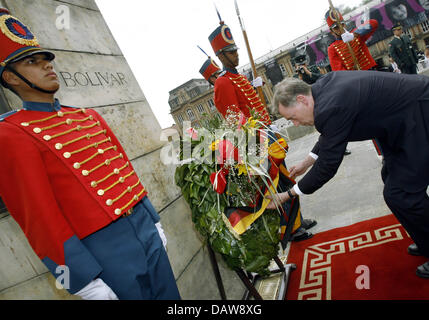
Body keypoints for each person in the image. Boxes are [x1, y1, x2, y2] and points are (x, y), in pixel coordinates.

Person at [0, 9, 181, 299]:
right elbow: (38, 220)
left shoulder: (87, 117)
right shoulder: (10, 134)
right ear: (11, 77)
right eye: (33, 62)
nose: (47, 66)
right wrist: (80, 279)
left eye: (46, 59)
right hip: (102, 253)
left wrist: (153, 220)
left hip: (144, 228)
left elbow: (125, 173)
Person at [269, 73, 429, 278]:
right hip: (399, 124)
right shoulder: (321, 92)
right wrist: (306, 163)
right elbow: (331, 135)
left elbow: (328, 165)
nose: (296, 124)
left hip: (418, 117)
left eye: (292, 118)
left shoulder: (329, 106)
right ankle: (426, 241)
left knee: (401, 194)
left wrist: (289, 194)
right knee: (392, 181)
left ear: (301, 99)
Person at [208, 20, 316, 241]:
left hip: (268, 135)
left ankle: (297, 219)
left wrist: (269, 126)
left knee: (286, 179)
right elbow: (233, 118)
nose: (236, 55)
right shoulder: (223, 82)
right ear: (220, 56)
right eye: (230, 52)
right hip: (255, 141)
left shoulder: (238, 77)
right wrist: (257, 135)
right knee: (275, 184)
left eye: (235, 50)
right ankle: (290, 229)